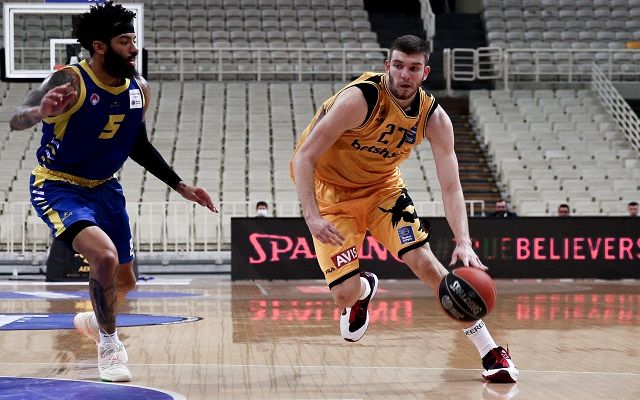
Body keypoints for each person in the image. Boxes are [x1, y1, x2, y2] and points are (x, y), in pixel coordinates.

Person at [290, 35, 518, 383]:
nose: (404, 75)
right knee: (343, 295)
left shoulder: (434, 118)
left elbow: (451, 186)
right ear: (388, 66)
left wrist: (463, 241)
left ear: (425, 73)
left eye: (413, 68)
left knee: (427, 264)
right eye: (398, 66)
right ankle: (362, 291)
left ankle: (491, 350)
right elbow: (304, 157)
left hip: (383, 190)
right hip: (332, 194)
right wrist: (312, 216)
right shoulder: (359, 100)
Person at [9, 1, 217, 382]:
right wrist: (40, 112)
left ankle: (95, 319)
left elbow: (138, 145)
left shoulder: (139, 89)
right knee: (104, 257)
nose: (134, 49)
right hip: (58, 185)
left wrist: (181, 185)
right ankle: (109, 345)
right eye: (125, 42)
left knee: (126, 282)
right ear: (100, 46)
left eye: (134, 40)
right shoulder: (70, 79)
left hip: (106, 188)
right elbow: (16, 118)